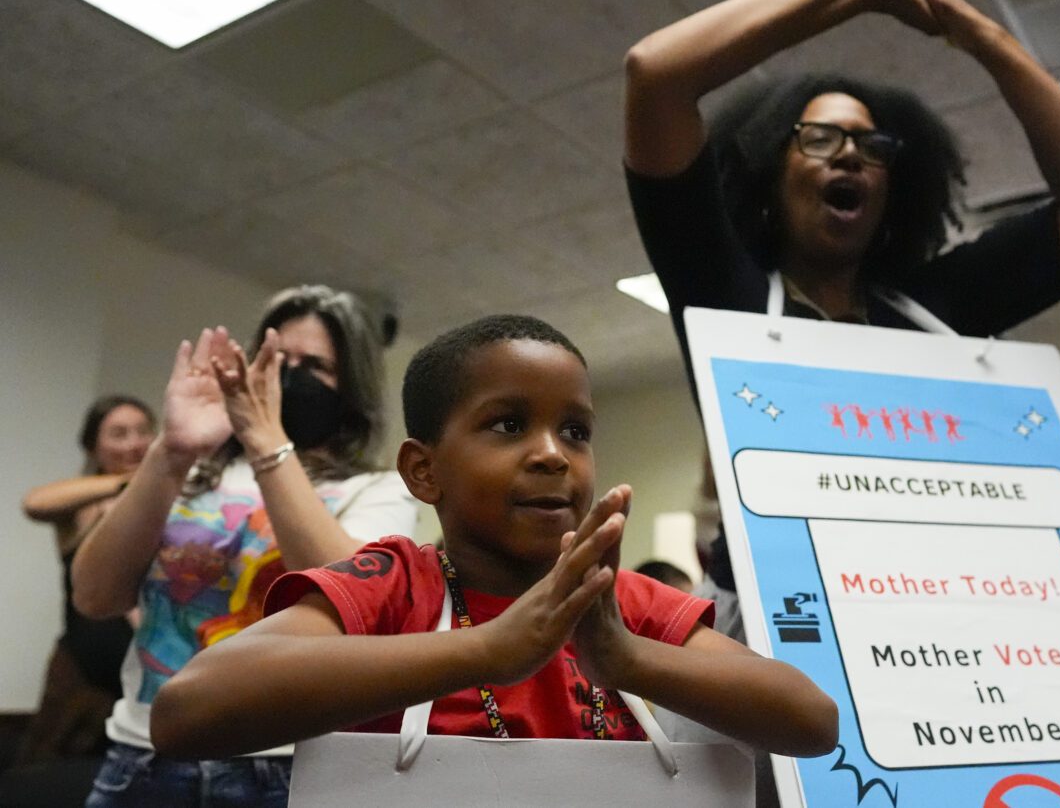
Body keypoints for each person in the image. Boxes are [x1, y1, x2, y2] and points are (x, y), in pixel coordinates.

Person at [624, 0, 1060, 640]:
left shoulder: (939, 303)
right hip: (769, 625)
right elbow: (655, 74)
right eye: (818, 138)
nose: (849, 155)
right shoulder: (721, 293)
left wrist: (980, 34)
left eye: (871, 146)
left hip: (928, 618)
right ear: (769, 171)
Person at [148, 314, 838, 763]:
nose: (552, 455)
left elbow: (811, 721)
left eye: (575, 431)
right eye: (508, 425)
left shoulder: (618, 602)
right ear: (424, 471)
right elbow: (186, 714)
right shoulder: (390, 585)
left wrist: (624, 659)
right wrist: (485, 649)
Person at [70, 285, 417, 808]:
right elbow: (95, 596)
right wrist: (172, 451)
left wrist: (265, 442)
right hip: (142, 759)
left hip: (281, 772)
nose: (290, 377)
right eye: (279, 360)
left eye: (315, 367)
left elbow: (353, 606)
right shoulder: (191, 476)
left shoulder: (376, 489)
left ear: (349, 391)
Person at [15, 396, 155, 764]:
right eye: (119, 433)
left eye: (142, 432)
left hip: (149, 678)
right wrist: (127, 482)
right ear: (94, 445)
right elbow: (35, 502)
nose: (133, 443)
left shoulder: (166, 500)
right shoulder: (82, 505)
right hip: (80, 680)